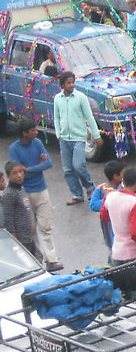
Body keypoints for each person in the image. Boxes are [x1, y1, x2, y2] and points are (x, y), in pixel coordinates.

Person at [9, 118, 62, 271]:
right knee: (30, 228)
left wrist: (30, 169)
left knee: (45, 227)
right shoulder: (14, 148)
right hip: (25, 192)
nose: (36, 132)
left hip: (41, 190)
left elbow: (48, 163)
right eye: (33, 130)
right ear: (25, 133)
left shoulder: (37, 143)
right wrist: (37, 166)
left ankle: (51, 260)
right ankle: (37, 260)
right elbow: (19, 171)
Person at [53, 71, 100, 205]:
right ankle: (77, 194)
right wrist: (58, 134)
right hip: (64, 139)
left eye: (73, 82)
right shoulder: (58, 98)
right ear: (62, 84)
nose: (72, 85)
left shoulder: (80, 97)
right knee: (68, 169)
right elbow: (56, 117)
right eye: (69, 83)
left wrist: (96, 135)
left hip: (79, 137)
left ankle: (90, 188)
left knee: (78, 165)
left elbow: (89, 117)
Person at [2, 162, 35, 255]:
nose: (19, 175)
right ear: (8, 176)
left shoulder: (21, 189)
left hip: (28, 237)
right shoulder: (9, 194)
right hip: (20, 241)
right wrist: (15, 242)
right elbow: (8, 220)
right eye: (15, 173)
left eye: (21, 171)